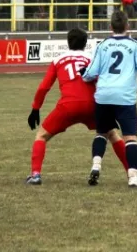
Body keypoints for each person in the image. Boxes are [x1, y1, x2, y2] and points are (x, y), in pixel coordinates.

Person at [25, 28, 130, 185]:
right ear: (86, 43)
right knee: (113, 136)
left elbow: (43, 87)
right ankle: (131, 173)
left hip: (68, 105)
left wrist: (35, 108)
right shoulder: (92, 59)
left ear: (68, 43)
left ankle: (35, 175)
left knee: (41, 135)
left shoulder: (58, 60)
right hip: (93, 105)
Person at [81, 11, 137, 189]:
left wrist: (84, 75)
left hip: (104, 96)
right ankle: (133, 177)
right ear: (128, 27)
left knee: (102, 133)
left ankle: (96, 166)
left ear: (110, 27)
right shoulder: (135, 45)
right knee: (130, 138)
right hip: (125, 97)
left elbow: (90, 72)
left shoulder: (103, 45)